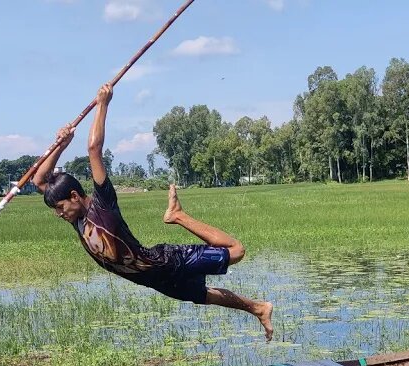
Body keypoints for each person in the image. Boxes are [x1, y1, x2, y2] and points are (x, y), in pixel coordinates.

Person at [33, 83, 275, 340]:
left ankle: (178, 216)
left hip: (164, 261)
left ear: (74, 196)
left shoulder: (102, 205)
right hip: (152, 279)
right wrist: (62, 144)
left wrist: (103, 104)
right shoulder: (77, 219)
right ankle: (258, 308)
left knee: (236, 252)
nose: (59, 214)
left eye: (60, 208)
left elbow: (94, 149)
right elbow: (39, 181)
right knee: (202, 295)